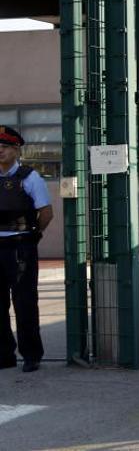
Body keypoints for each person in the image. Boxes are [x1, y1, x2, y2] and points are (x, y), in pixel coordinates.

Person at [0, 126, 52, 373]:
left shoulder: (30, 178)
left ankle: (31, 355)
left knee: (24, 303)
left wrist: (32, 236)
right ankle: (4, 355)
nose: (0, 152)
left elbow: (46, 213)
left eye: (5, 148)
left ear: (16, 150)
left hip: (21, 246)